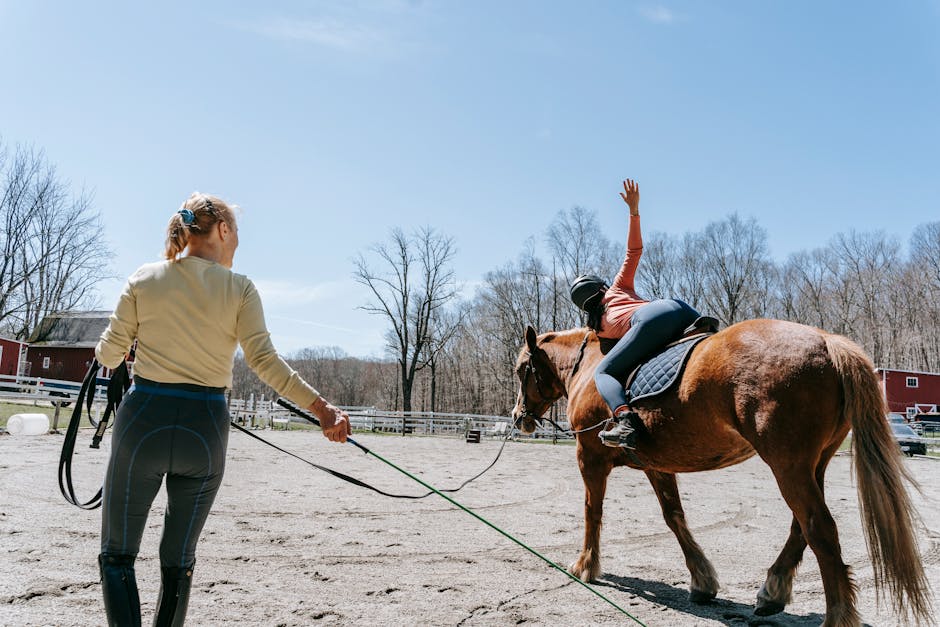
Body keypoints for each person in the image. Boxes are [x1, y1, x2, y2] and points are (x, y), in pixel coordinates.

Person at [94, 193, 351, 627]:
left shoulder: (145, 277)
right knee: (178, 558)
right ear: (223, 230)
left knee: (118, 553)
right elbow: (265, 362)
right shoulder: (241, 289)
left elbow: (108, 355)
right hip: (205, 429)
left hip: (143, 423)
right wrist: (322, 408)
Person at [569, 179, 701, 449]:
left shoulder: (599, 328)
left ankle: (625, 421)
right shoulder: (619, 287)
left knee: (604, 372)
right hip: (680, 308)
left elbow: (613, 356)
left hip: (651, 321)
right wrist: (634, 211)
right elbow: (634, 251)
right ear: (600, 287)